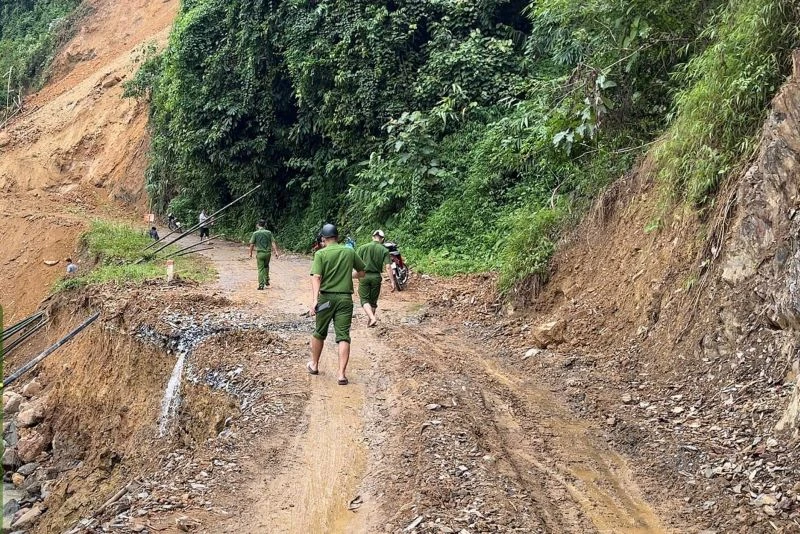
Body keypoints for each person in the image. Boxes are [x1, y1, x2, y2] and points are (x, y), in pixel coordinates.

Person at [308, 223, 366, 385]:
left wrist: (314, 300)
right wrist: (349, 275)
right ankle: (341, 375)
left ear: (323, 239)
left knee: (319, 332)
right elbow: (362, 272)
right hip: (345, 300)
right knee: (343, 336)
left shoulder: (320, 254)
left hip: (326, 300)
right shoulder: (349, 251)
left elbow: (316, 277)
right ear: (337, 237)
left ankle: (314, 365)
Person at [356, 229, 395, 327]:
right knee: (373, 302)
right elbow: (388, 267)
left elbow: (355, 263)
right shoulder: (384, 250)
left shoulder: (362, 248)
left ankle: (372, 319)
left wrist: (357, 275)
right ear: (382, 239)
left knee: (364, 300)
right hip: (376, 277)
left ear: (373, 237)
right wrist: (392, 281)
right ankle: (371, 321)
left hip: (364, 276)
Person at [248, 219, 280, 290]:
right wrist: (276, 252)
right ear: (264, 225)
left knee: (260, 269)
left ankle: (261, 285)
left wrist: (250, 253)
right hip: (268, 253)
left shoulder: (255, 233)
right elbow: (273, 243)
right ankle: (267, 280)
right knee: (266, 266)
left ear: (257, 225)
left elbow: (252, 244)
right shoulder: (268, 232)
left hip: (260, 254)